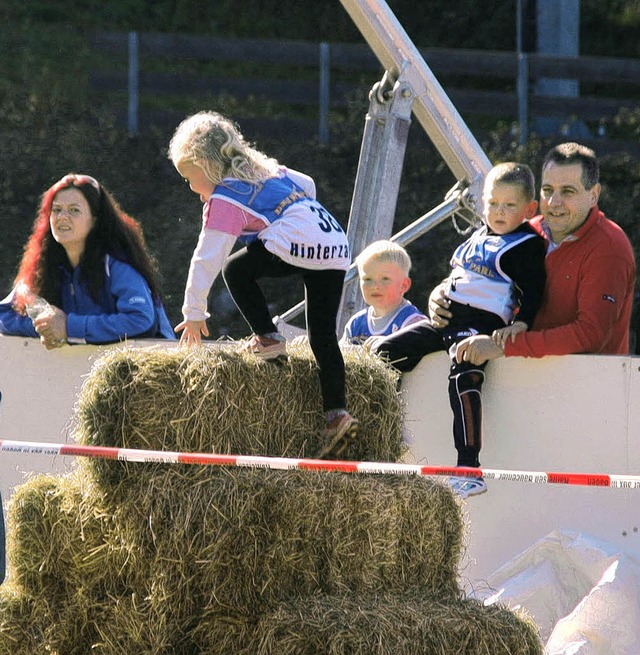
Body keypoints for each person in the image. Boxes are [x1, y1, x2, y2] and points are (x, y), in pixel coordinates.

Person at [167, 110, 359, 459]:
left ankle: (268, 338)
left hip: (300, 239)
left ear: (205, 164)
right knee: (323, 335)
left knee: (235, 270)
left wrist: (194, 310)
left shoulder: (225, 197)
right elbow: (309, 185)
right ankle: (336, 413)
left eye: (189, 177)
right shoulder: (271, 172)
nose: (191, 187)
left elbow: (206, 257)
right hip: (334, 242)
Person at [371, 162, 547, 497]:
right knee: (384, 351)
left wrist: (523, 323)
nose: (498, 212)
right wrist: (436, 293)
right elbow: (456, 277)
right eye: (492, 203)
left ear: (529, 210)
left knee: (463, 373)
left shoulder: (526, 245)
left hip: (480, 325)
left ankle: (469, 467)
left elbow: (534, 290)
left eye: (509, 206)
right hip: (445, 321)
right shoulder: (477, 237)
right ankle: (385, 432)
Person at [451, 142, 636, 365]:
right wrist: (443, 298)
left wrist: (504, 346)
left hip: (587, 389)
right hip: (520, 380)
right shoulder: (527, 231)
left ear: (594, 195)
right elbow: (483, 281)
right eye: (548, 190)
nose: (553, 202)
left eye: (568, 191)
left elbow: (591, 335)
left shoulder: (610, 247)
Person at [0, 174, 175, 348]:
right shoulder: (44, 266)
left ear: (95, 219)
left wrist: (69, 327)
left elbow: (140, 320)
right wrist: (46, 327)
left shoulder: (117, 264)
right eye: (56, 209)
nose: (62, 217)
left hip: (143, 369)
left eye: (74, 210)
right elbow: (4, 314)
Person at [341, 240, 425, 345]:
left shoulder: (413, 323)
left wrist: (387, 346)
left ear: (404, 285)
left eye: (385, 279)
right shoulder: (356, 324)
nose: (375, 286)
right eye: (367, 279)